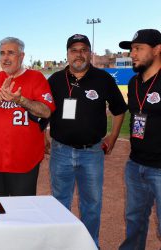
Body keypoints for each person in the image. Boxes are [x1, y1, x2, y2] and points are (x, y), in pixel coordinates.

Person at [46, 34, 127, 247]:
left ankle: (90, 244)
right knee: (59, 203)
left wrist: (114, 136)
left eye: (83, 49)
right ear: (67, 54)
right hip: (60, 151)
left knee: (91, 204)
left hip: (91, 153)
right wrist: (42, 135)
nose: (79, 54)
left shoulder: (103, 79)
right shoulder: (55, 80)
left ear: (90, 53)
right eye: (74, 50)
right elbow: (44, 111)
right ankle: (63, 245)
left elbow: (119, 110)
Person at [0, 37, 55, 197]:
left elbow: (46, 111)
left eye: (10, 53)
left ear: (22, 56)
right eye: (2, 53)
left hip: (26, 160)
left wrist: (20, 99)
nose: (5, 57)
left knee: (22, 213)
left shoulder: (36, 78)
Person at [118, 29, 161, 250]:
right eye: (131, 49)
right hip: (135, 165)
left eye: (138, 49)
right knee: (134, 222)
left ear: (157, 50)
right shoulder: (135, 83)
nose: (132, 54)